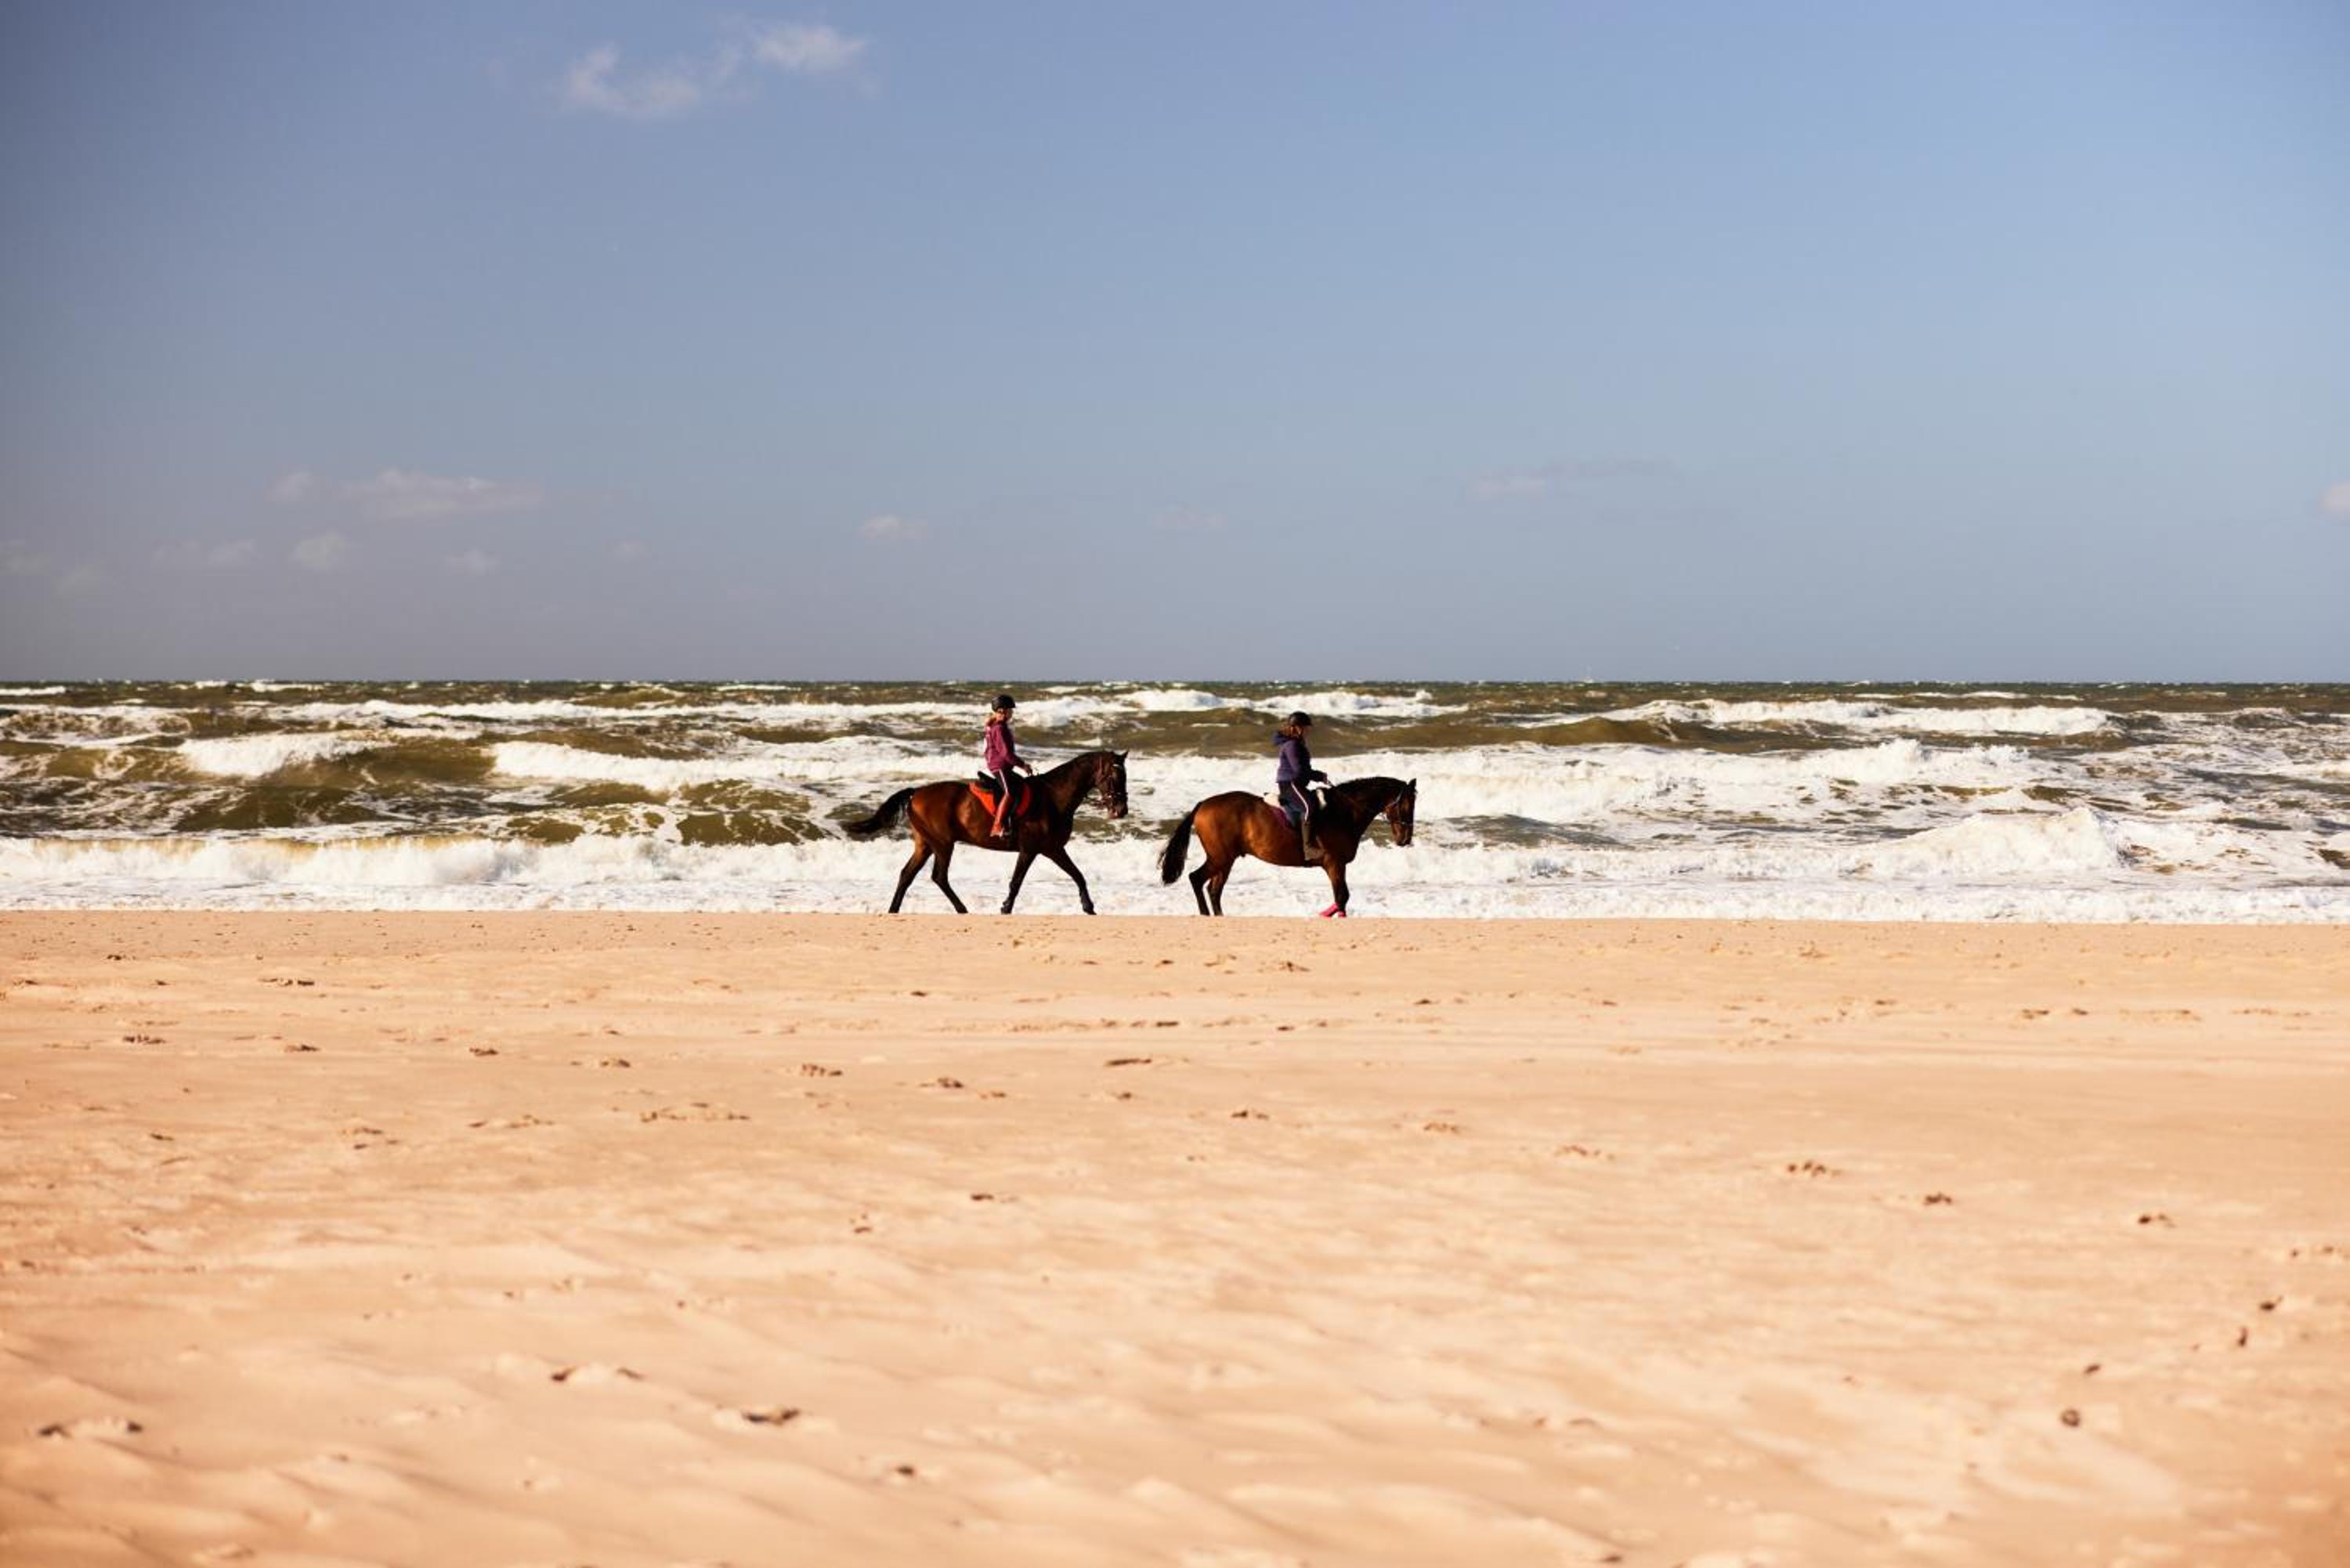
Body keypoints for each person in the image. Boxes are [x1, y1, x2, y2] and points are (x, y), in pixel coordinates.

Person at [1274, 710, 1329, 855]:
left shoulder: (1296, 743)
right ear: (1298, 728)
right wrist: (1319, 776)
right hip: (1291, 784)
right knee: (1310, 806)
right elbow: (1299, 770)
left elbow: (1303, 770)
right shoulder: (1292, 745)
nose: (1308, 731)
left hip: (1295, 784)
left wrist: (1319, 776)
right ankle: (1308, 848)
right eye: (1306, 728)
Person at [982, 693, 1033, 840]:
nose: (1012, 713)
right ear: (1002, 711)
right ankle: (997, 826)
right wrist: (1023, 765)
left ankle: (1013, 821)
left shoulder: (998, 726)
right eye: (1010, 710)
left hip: (1002, 765)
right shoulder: (999, 728)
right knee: (1010, 792)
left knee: (1021, 786)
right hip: (999, 766)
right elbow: (1006, 754)